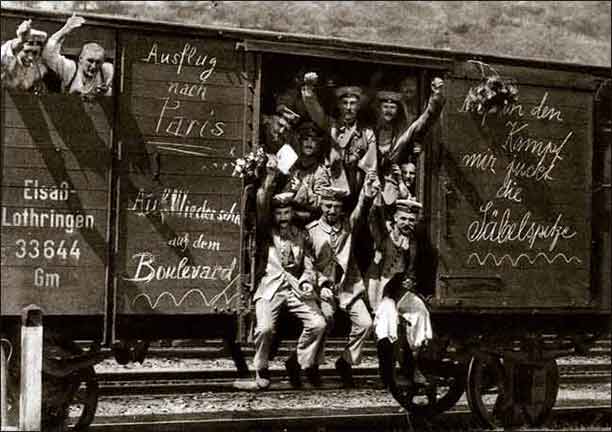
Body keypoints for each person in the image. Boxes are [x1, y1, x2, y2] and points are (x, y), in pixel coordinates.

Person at [248, 157, 327, 390]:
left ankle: (300, 361)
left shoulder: (300, 234)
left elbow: (310, 263)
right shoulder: (266, 231)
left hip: (294, 287)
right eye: (279, 213)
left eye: (286, 213)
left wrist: (306, 280)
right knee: (264, 329)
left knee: (319, 324)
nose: (283, 217)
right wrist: (270, 177)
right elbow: (261, 203)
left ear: (292, 213)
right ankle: (261, 368)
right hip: (270, 287)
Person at [307, 170, 380, 388]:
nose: (332, 211)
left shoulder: (348, 226)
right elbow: (308, 264)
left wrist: (367, 193)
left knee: (366, 323)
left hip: (348, 286)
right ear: (321, 205)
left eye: (336, 207)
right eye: (328, 206)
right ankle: (311, 365)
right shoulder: (310, 231)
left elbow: (360, 210)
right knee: (326, 318)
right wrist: (320, 285)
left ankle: (346, 362)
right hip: (323, 288)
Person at [368, 198, 432, 389]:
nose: (407, 224)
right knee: (387, 321)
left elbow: (412, 270)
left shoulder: (413, 242)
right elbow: (373, 218)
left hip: (401, 291)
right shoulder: (383, 236)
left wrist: (411, 282)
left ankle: (412, 364)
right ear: (395, 218)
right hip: (381, 291)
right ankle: (386, 374)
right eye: (403, 219)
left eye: (411, 220)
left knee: (420, 312)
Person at [301, 72, 377, 207]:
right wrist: (308, 89)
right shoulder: (331, 125)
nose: (348, 108)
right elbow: (315, 111)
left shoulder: (367, 132)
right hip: (332, 189)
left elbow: (371, 166)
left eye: (352, 103)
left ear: (358, 106)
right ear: (339, 105)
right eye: (345, 103)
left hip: (357, 188)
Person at [43, 14, 113, 97]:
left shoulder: (105, 71)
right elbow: (48, 55)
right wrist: (64, 31)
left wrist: (107, 89)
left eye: (98, 62)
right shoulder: (71, 69)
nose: (94, 66)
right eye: (90, 61)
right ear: (80, 59)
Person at [1, 19, 48, 93]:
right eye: (27, 52)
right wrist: (20, 40)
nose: (30, 57)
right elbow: (6, 52)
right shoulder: (8, 59)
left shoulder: (39, 70)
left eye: (35, 53)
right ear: (19, 50)